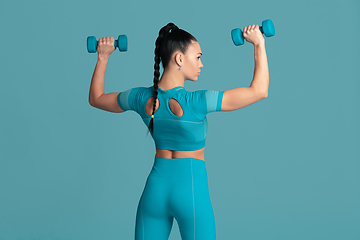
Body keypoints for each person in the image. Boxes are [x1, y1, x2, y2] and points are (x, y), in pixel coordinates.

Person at [89, 22, 268, 240]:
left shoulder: (140, 98)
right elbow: (259, 91)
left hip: (155, 192)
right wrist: (258, 43)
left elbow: (96, 99)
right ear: (180, 59)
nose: (202, 64)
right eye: (198, 57)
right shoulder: (198, 101)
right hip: (191, 190)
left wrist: (103, 56)